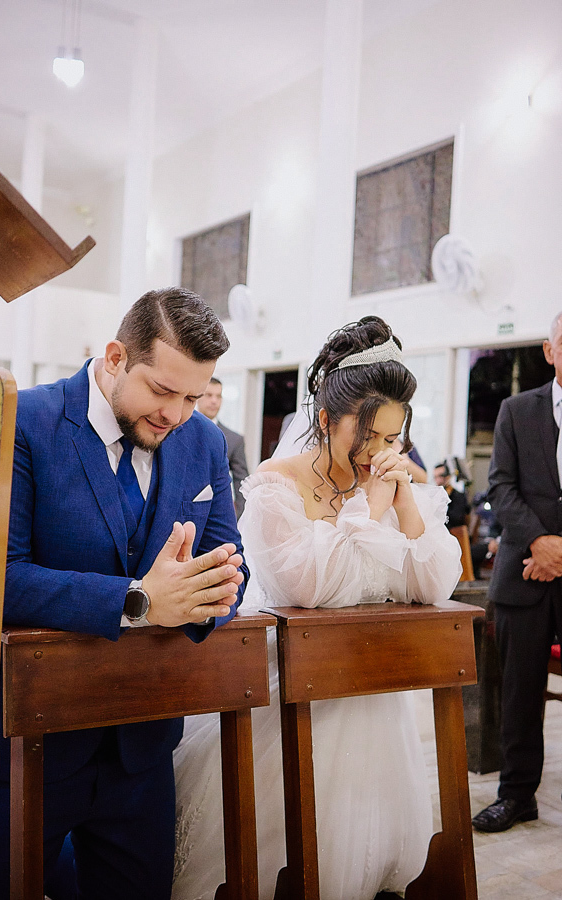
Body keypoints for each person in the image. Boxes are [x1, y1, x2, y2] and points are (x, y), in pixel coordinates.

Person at [0, 287, 248, 900]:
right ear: (117, 356)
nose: (176, 414)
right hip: (24, 738)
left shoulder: (203, 442)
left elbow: (229, 566)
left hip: (141, 745)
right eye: (162, 390)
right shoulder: (23, 418)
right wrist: (140, 602)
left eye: (194, 396)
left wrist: (214, 591)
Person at [171, 316, 462, 900]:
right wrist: (364, 511)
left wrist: (405, 505)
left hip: (375, 694)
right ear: (326, 419)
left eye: (392, 438)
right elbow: (311, 586)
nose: (380, 453)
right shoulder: (276, 486)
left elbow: (432, 585)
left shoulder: (387, 479)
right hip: (287, 700)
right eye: (370, 436)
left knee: (363, 858)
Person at [472, 311, 562, 834]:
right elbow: (500, 487)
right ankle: (516, 796)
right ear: (549, 351)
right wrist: (540, 543)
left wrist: (561, 551)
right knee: (519, 693)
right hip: (522, 577)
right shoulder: (514, 410)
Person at [197, 376, 249, 517]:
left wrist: (240, 517)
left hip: (216, 513)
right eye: (209, 395)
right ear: (197, 396)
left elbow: (241, 481)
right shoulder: (178, 429)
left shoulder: (234, 439)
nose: (214, 401)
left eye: (218, 396)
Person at [433, 460, 470, 528]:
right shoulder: (435, 497)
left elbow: (457, 519)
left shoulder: (459, 496)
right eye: (435, 477)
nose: (438, 480)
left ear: (448, 477)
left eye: (441, 476)